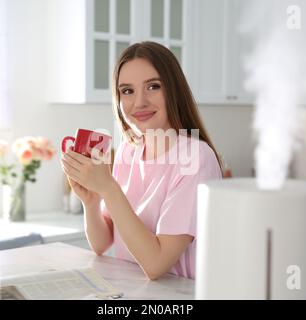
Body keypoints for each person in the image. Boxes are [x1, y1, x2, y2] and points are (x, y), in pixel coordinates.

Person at [61, 41, 223, 280]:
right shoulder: (129, 150)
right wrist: (92, 202)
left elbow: (156, 264)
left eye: (153, 87)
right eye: (127, 91)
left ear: (174, 90)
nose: (139, 102)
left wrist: (107, 187)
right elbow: (102, 243)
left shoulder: (195, 158)